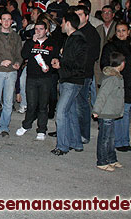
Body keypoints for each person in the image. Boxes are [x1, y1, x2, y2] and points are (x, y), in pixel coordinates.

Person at [100, 22, 131, 152]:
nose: (121, 33)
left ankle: (125, 141)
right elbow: (104, 65)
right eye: (118, 31)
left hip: (130, 84)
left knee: (126, 112)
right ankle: (118, 142)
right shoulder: (110, 46)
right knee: (118, 112)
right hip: (117, 84)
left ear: (128, 32)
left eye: (123, 30)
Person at [50, 12, 88, 156]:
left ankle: (62, 146)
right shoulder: (72, 39)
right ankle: (76, 143)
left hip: (72, 80)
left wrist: (60, 64)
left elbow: (77, 63)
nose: (60, 25)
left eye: (62, 22)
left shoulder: (76, 40)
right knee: (70, 112)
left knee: (60, 112)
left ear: (68, 23)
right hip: (70, 79)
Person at [16, 20, 59, 140]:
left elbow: (55, 58)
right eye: (36, 29)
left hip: (45, 78)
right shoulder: (30, 42)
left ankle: (41, 129)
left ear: (46, 31)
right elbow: (24, 55)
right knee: (31, 104)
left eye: (41, 29)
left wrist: (50, 66)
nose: (38, 31)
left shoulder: (52, 43)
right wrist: (32, 42)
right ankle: (26, 125)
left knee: (43, 105)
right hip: (31, 78)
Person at [92, 52, 126, 172]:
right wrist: (96, 110)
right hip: (106, 113)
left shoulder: (118, 77)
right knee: (104, 138)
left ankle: (111, 158)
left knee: (111, 138)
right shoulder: (111, 79)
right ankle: (102, 161)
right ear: (122, 64)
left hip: (111, 113)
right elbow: (102, 95)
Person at [74, 5, 101, 145]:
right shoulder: (75, 30)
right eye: (76, 14)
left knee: (82, 104)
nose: (77, 17)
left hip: (83, 74)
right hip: (73, 73)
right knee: (73, 104)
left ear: (86, 16)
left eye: (80, 14)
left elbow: (92, 55)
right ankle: (74, 131)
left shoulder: (91, 33)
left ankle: (84, 134)